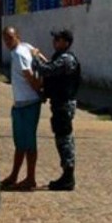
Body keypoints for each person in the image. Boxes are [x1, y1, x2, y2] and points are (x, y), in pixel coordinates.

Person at [30, 29, 81, 191]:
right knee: (62, 138)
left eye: (58, 39)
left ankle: (68, 177)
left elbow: (47, 70)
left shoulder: (66, 60)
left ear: (66, 42)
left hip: (64, 105)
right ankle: (67, 175)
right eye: (55, 39)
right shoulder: (60, 58)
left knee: (64, 140)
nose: (55, 42)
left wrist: (35, 57)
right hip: (60, 103)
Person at [1, 26, 43, 191]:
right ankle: (14, 175)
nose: (7, 42)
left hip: (28, 104)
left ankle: (30, 178)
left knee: (28, 143)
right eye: (5, 39)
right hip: (21, 103)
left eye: (10, 38)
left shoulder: (19, 53)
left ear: (17, 36)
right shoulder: (26, 47)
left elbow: (30, 77)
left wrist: (40, 89)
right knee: (20, 143)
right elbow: (40, 57)